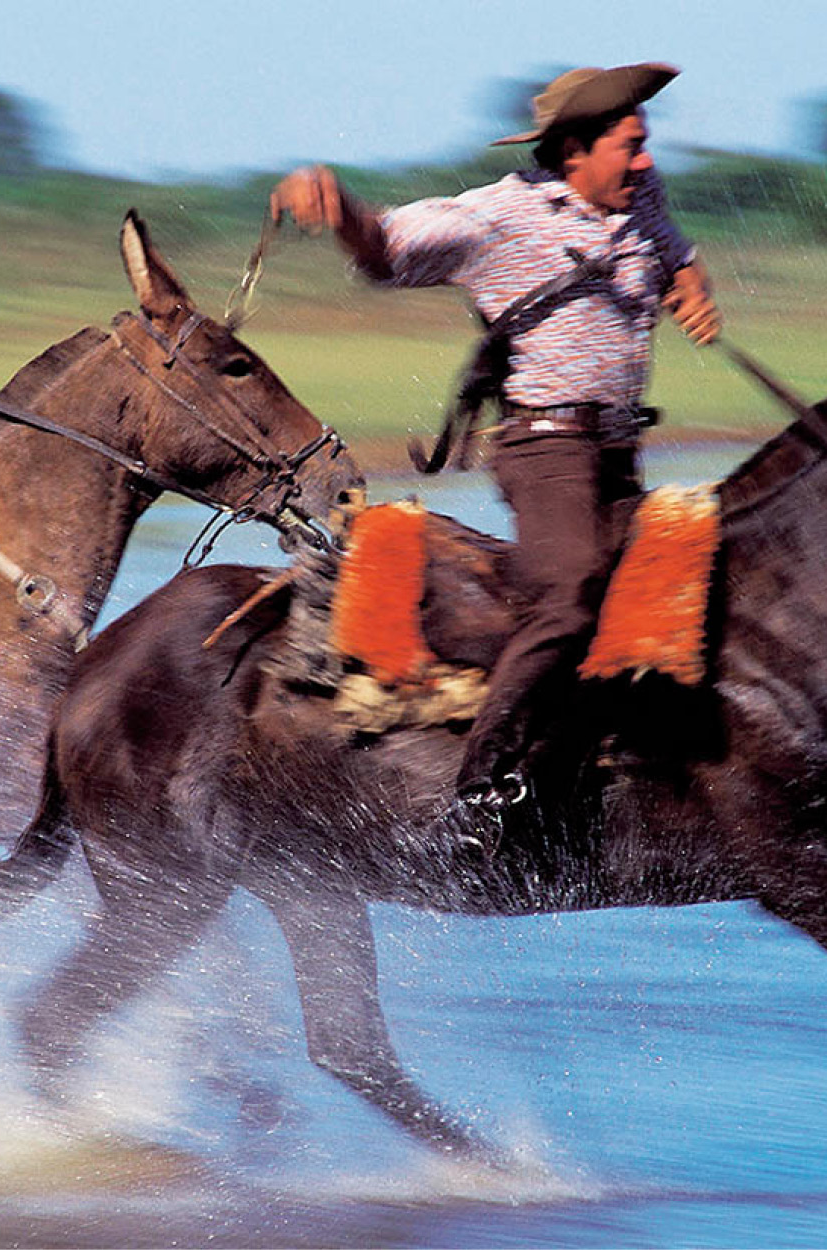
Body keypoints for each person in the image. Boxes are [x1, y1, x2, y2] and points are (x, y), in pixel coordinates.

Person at [268, 62, 720, 819]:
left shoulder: (641, 194)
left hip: (618, 452)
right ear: (574, 150)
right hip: (547, 454)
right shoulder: (496, 218)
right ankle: (482, 782)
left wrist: (692, 288)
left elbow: (675, 252)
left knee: (684, 583)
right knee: (574, 590)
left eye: (646, 145)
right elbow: (385, 246)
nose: (645, 161)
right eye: (630, 146)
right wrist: (340, 209)